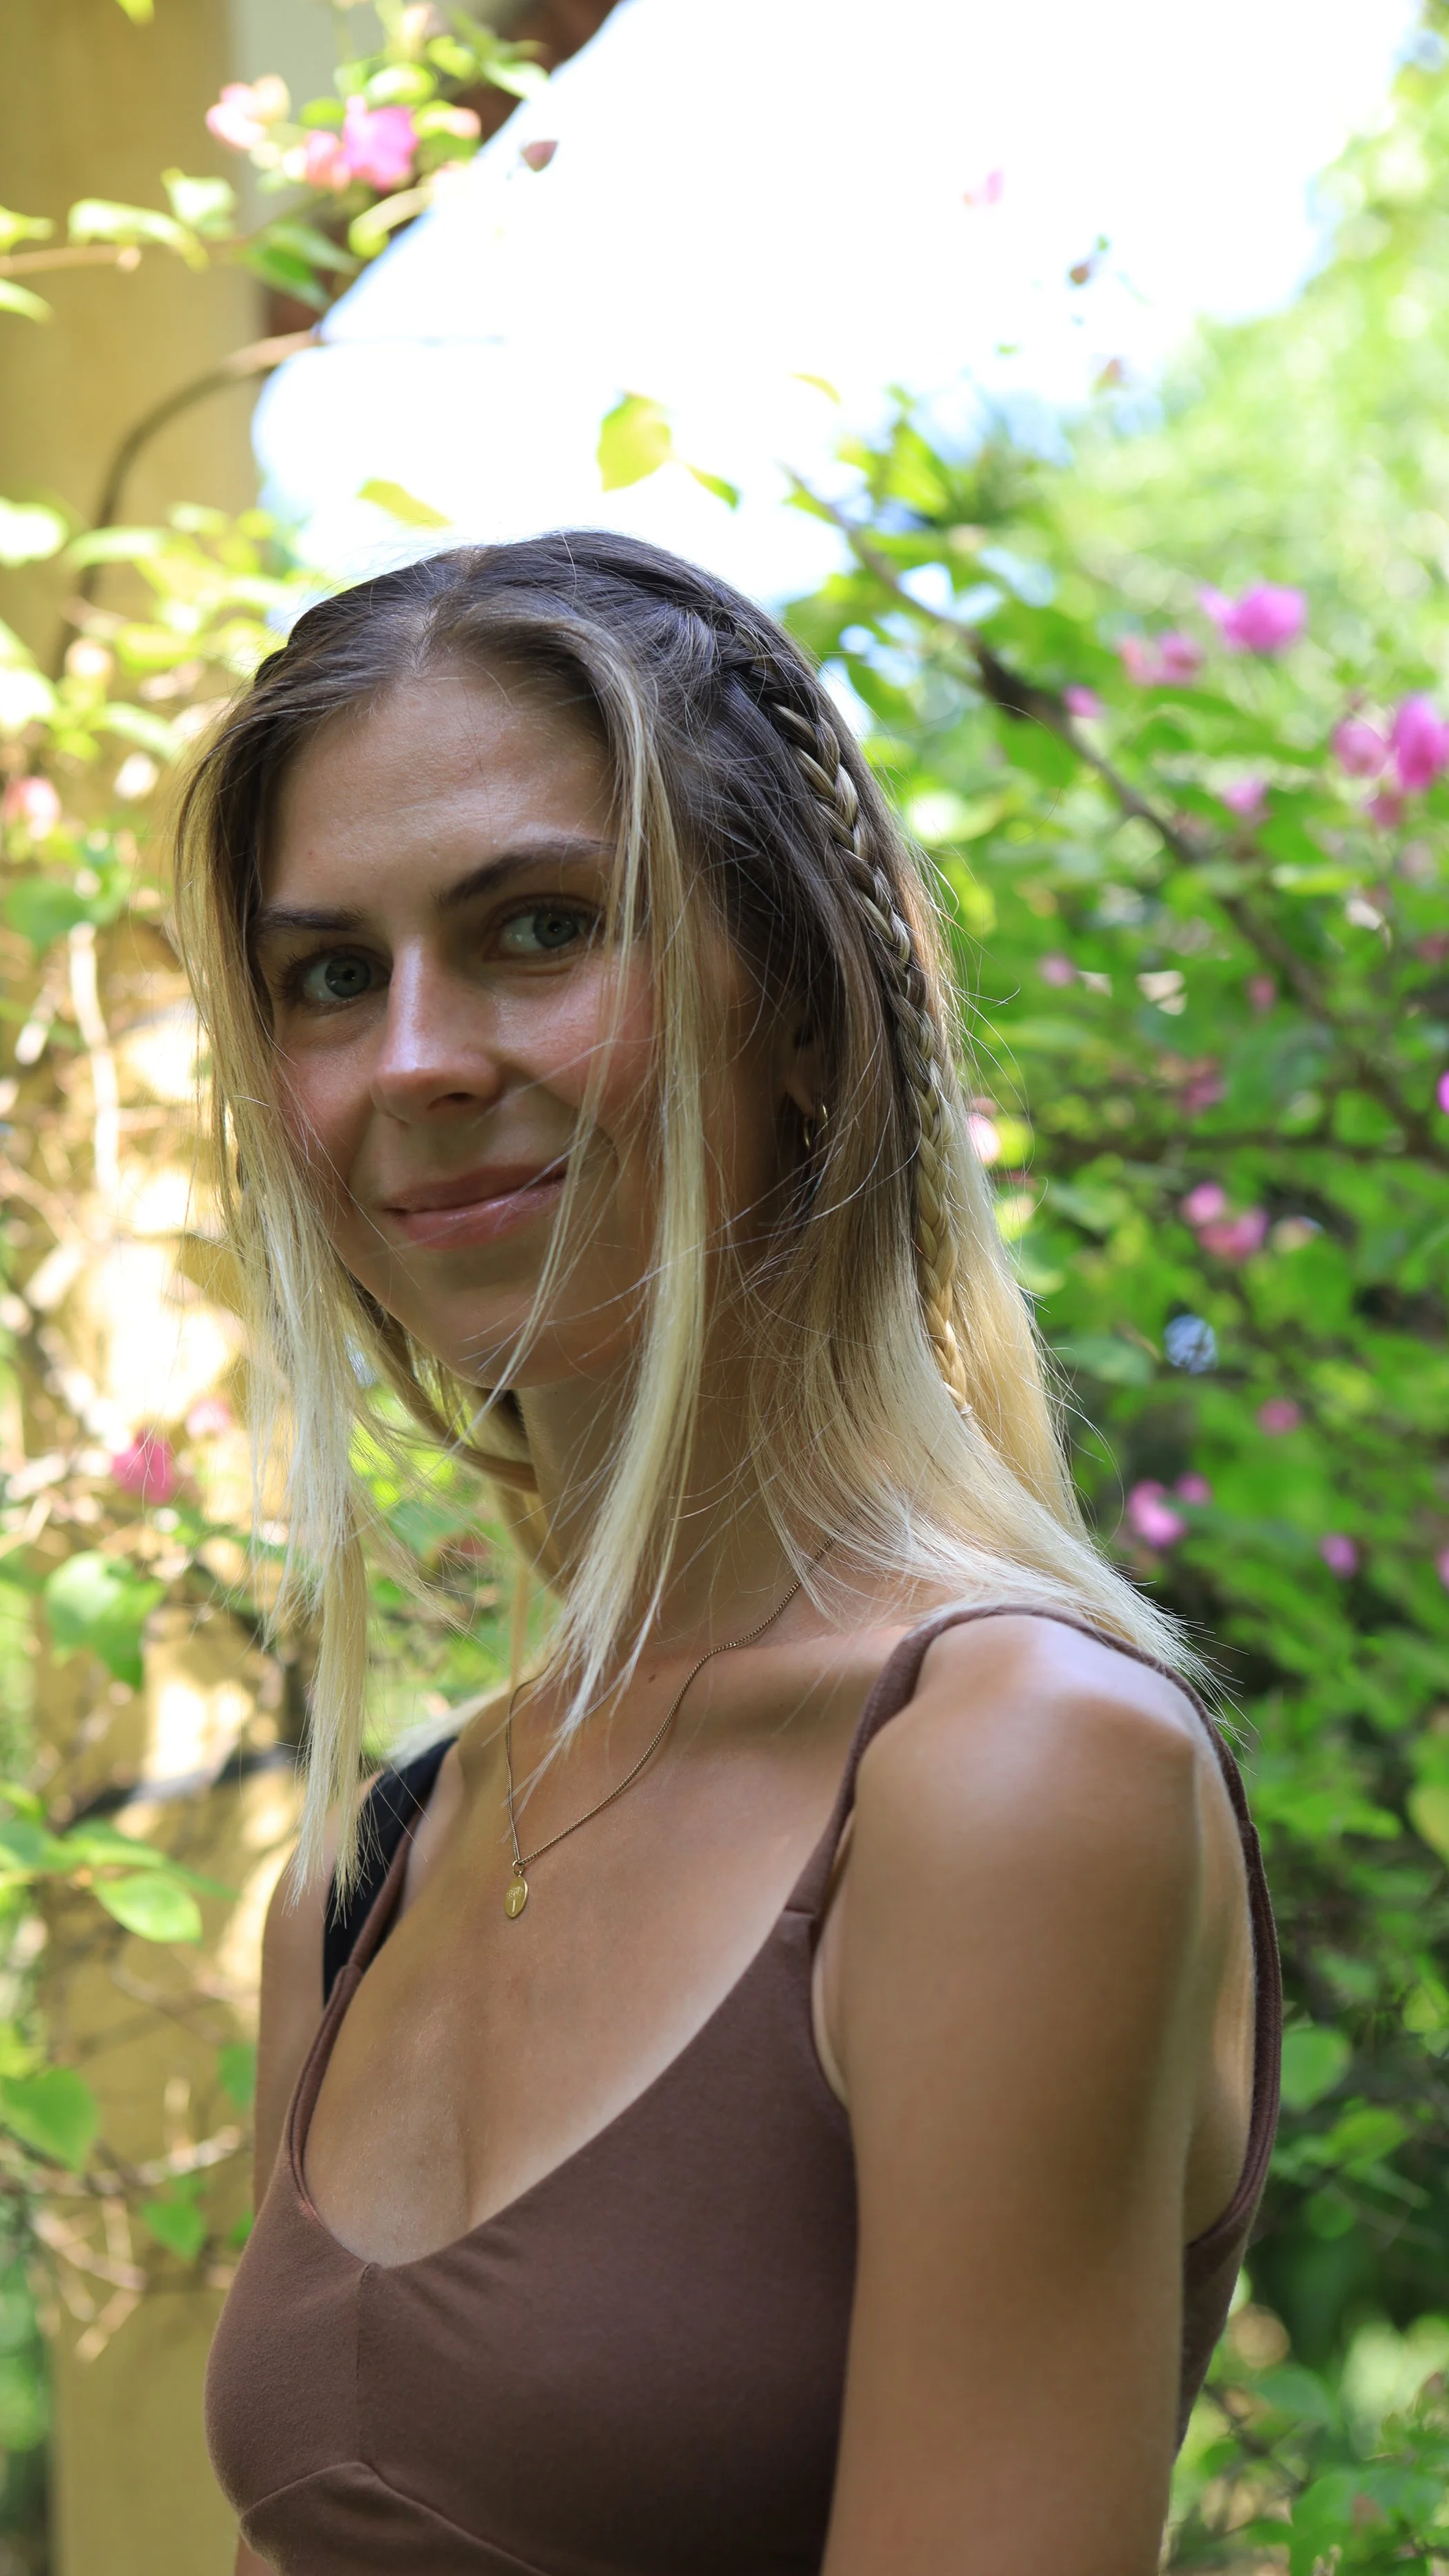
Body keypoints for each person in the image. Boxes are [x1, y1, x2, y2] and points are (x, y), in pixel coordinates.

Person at [185, 532, 1279, 2576]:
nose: (413, 1056)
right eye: (330, 973)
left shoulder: (1002, 1775)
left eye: (532, 927)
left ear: (793, 997)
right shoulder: (362, 1880)